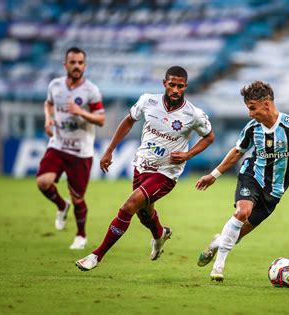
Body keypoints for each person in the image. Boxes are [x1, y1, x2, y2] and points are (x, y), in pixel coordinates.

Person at [75, 66, 214, 271]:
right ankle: (160, 235)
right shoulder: (148, 101)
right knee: (144, 214)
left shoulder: (193, 114)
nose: (175, 90)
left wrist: (188, 154)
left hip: (166, 173)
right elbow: (129, 120)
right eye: (172, 85)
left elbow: (209, 137)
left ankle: (97, 255)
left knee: (129, 206)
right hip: (142, 165)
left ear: (186, 87)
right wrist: (109, 150)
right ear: (164, 83)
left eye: (180, 86)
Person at [195, 81, 289, 281]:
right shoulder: (252, 128)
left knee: (237, 234)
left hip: (274, 191)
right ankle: (218, 267)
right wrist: (213, 175)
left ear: (266, 104)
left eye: (252, 108)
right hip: (252, 175)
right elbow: (237, 152)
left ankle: (217, 242)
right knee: (242, 212)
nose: (250, 114)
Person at [36, 47, 105, 250]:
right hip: (58, 144)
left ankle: (81, 235)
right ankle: (60, 205)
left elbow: (101, 119)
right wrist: (48, 119)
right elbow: (48, 104)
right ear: (65, 64)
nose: (76, 66)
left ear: (84, 65)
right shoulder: (55, 85)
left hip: (80, 151)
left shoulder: (91, 91)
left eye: (80, 63)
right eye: (72, 62)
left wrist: (80, 112)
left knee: (78, 198)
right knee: (43, 182)